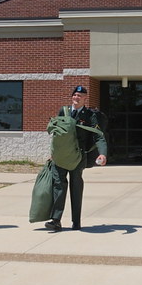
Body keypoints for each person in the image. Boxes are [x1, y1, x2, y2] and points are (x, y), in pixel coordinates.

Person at [46, 85, 107, 232]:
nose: (76, 97)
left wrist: (102, 153)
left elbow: (98, 135)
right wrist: (53, 152)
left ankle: (76, 221)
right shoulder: (64, 111)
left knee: (76, 188)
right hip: (61, 155)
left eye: (79, 95)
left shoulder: (89, 115)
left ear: (85, 98)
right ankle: (56, 220)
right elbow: (57, 133)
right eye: (74, 95)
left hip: (78, 157)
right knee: (59, 186)